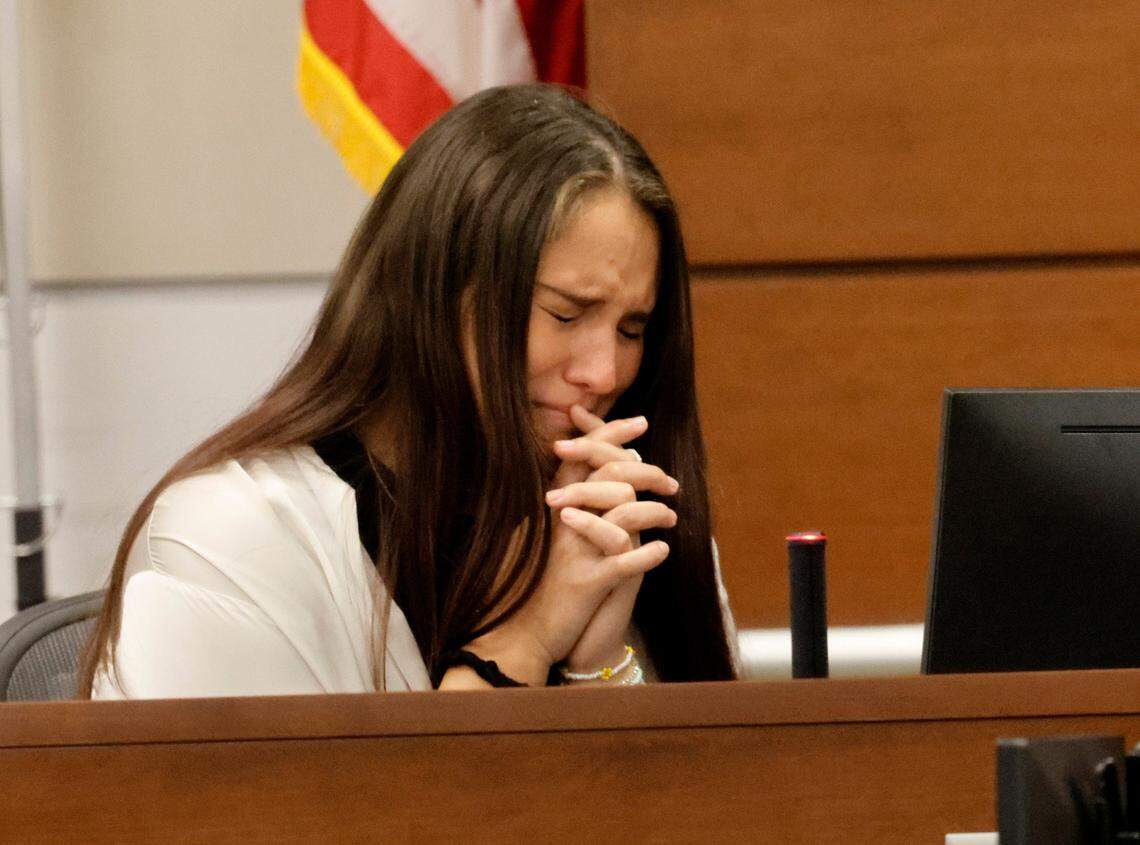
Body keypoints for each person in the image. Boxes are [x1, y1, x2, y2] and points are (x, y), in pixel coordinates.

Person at [80, 83, 739, 699]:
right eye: (566, 314)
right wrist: (520, 643)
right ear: (433, 294)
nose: (604, 372)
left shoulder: (624, 515)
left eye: (631, 328)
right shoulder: (238, 536)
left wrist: (597, 666)